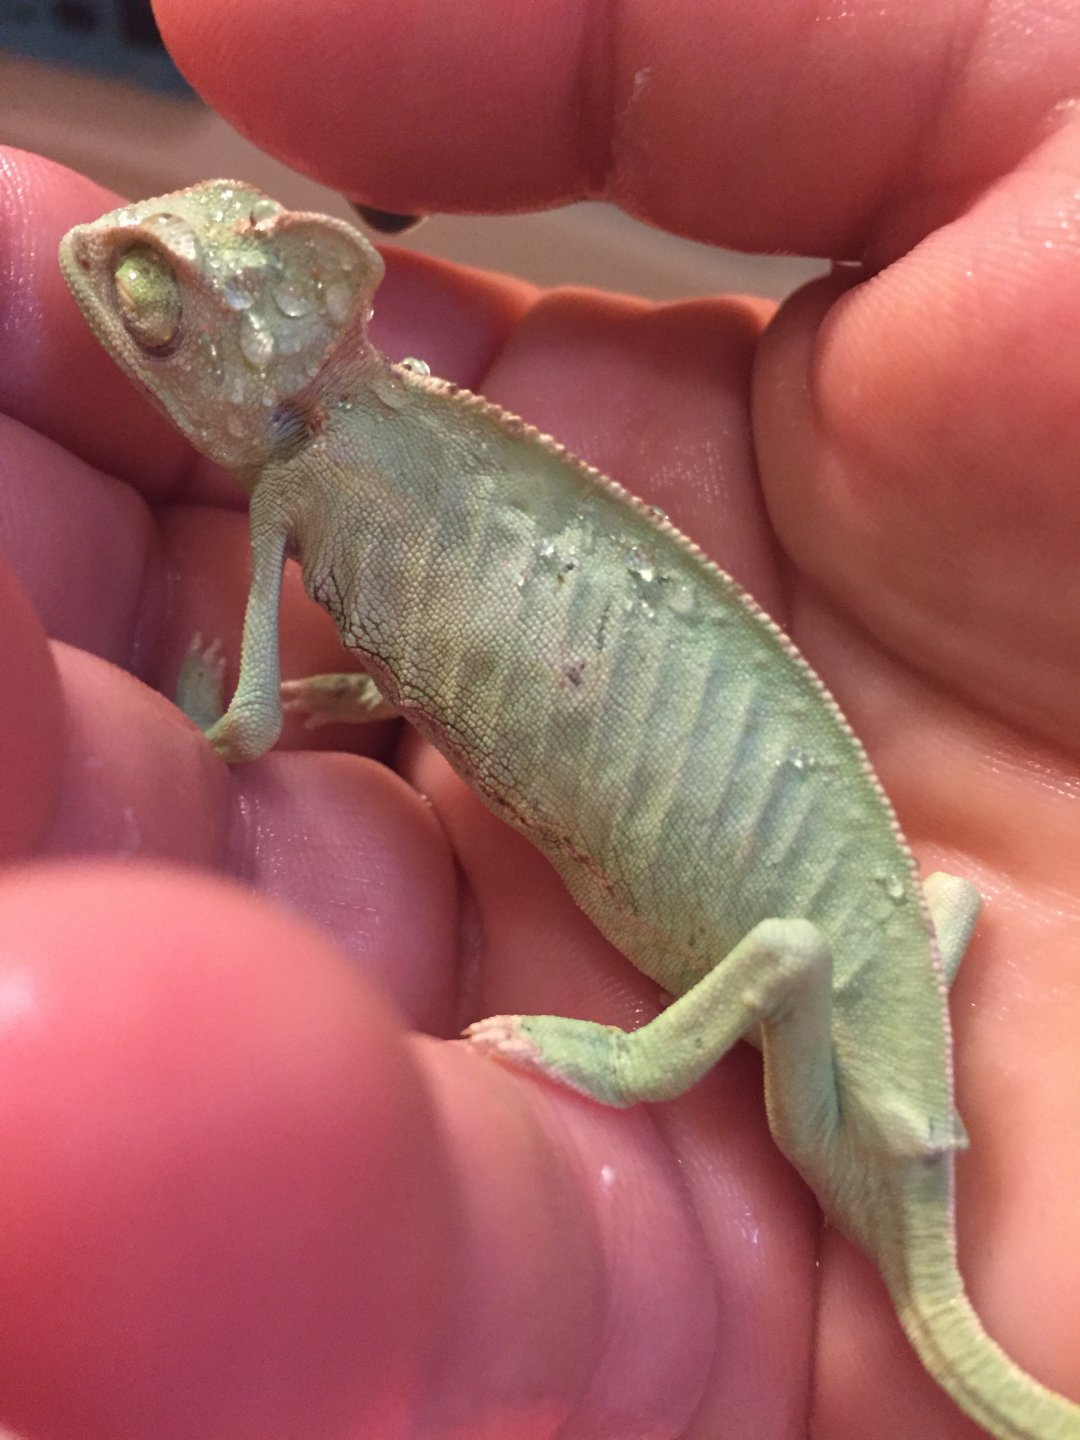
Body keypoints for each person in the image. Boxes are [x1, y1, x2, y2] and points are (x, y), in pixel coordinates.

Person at [0, 1, 1077, 1435]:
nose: (115, 293)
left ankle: (653, 1061)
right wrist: (364, 685)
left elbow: (243, 732)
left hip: (807, 991)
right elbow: (445, 616)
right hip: (871, 937)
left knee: (797, 970)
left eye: (156, 314)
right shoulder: (368, 442)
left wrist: (194, 706)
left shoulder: (297, 483)